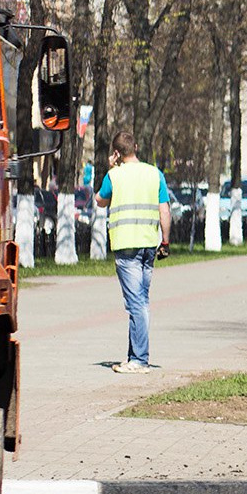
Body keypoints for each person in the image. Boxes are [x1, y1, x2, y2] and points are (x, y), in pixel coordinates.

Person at [98, 131, 172, 374]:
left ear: (117, 153)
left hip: (126, 247)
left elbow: (99, 200)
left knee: (136, 304)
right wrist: (166, 241)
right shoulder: (155, 174)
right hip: (149, 246)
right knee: (141, 301)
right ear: (136, 147)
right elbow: (165, 211)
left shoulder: (114, 175)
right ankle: (134, 355)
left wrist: (110, 168)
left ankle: (140, 360)